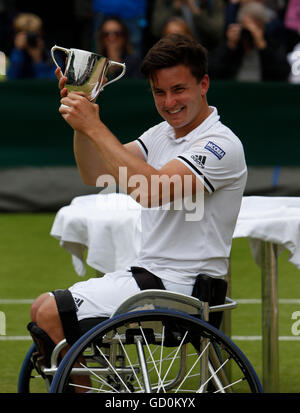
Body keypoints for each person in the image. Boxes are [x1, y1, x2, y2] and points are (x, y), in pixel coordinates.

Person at [29, 34, 247, 372]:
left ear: (204, 84)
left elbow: (149, 190)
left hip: (185, 289)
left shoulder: (221, 145)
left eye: (179, 89)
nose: (169, 102)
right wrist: (81, 118)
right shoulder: (161, 133)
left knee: (48, 312)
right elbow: (94, 171)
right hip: (151, 279)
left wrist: (95, 125)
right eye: (159, 92)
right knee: (44, 315)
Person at [210, 1, 291, 81]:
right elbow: (214, 72)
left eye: (256, 27)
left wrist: (262, 46)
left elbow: (283, 73)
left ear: (262, 26)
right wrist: (230, 46)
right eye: (246, 27)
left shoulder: (272, 43)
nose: (250, 32)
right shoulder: (232, 43)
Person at [7, 12, 56, 79]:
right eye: (26, 35)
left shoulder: (52, 57)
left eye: (33, 35)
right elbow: (10, 81)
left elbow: (51, 85)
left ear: (40, 35)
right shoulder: (15, 56)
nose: (29, 39)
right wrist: (18, 51)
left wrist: (38, 60)